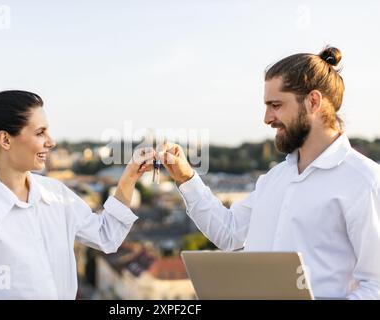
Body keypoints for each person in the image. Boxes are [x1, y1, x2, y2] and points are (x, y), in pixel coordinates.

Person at [157, 47, 380, 299]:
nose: (266, 118)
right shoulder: (275, 178)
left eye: (276, 105)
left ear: (313, 102)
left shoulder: (365, 181)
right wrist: (186, 178)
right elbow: (229, 233)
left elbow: (375, 286)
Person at [0, 90, 154, 299]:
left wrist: (130, 176)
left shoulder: (58, 196)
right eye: (40, 132)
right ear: (5, 140)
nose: (51, 141)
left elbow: (107, 236)